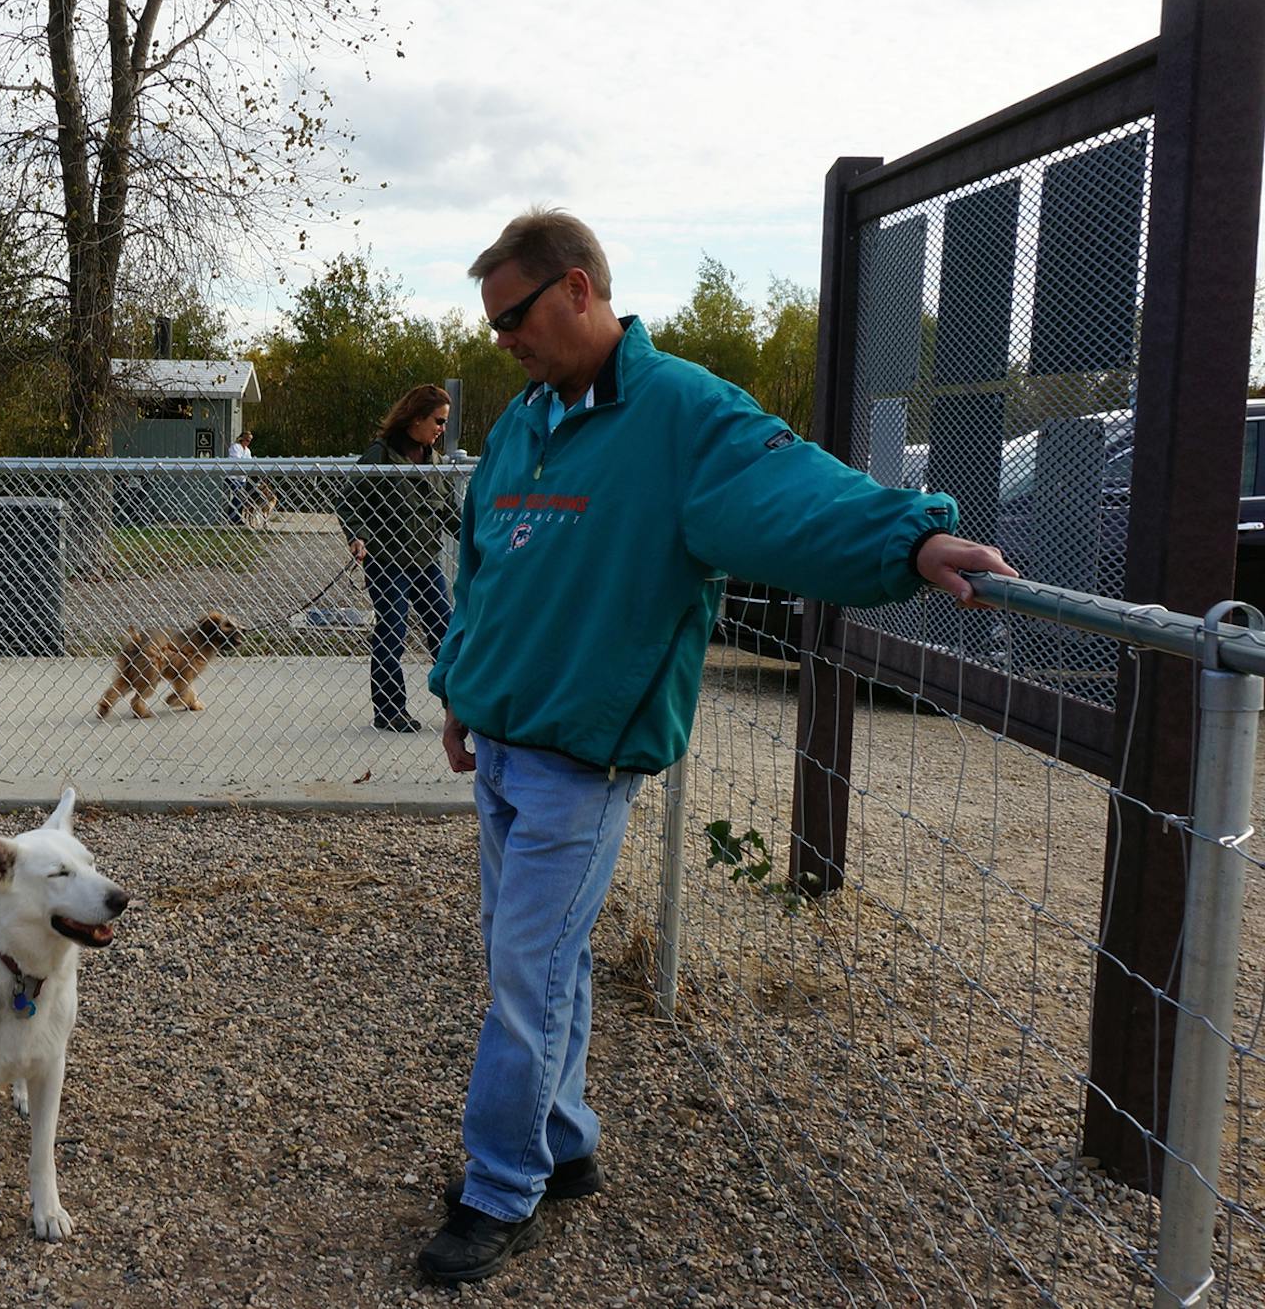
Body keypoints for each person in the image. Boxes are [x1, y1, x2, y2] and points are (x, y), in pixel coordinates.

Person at [416, 209, 1016, 1285]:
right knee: (543, 961)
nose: (501, 338)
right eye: (493, 320)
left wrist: (910, 537)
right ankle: (563, 1146)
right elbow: (485, 564)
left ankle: (499, 1186)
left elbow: (792, 493)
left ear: (579, 290)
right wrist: (458, 687)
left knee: (524, 969)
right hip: (503, 742)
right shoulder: (525, 421)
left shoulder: (681, 414)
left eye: (513, 315)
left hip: (582, 753)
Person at [336, 385, 461, 733]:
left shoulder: (435, 462)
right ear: (416, 417)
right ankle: (390, 710)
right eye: (438, 421)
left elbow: (451, 515)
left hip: (425, 563)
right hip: (388, 562)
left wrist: (482, 542)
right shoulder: (381, 455)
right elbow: (348, 501)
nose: (441, 429)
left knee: (445, 631)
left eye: (445, 422)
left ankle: (458, 707)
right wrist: (357, 535)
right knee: (393, 631)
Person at [224, 430, 255, 524]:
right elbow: (237, 460)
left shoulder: (247, 451)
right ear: (242, 439)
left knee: (241, 498)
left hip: (242, 478)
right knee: (238, 496)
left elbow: (249, 462)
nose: (248, 442)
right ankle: (233, 518)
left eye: (249, 441)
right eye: (247, 440)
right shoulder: (235, 447)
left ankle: (236, 517)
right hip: (233, 476)